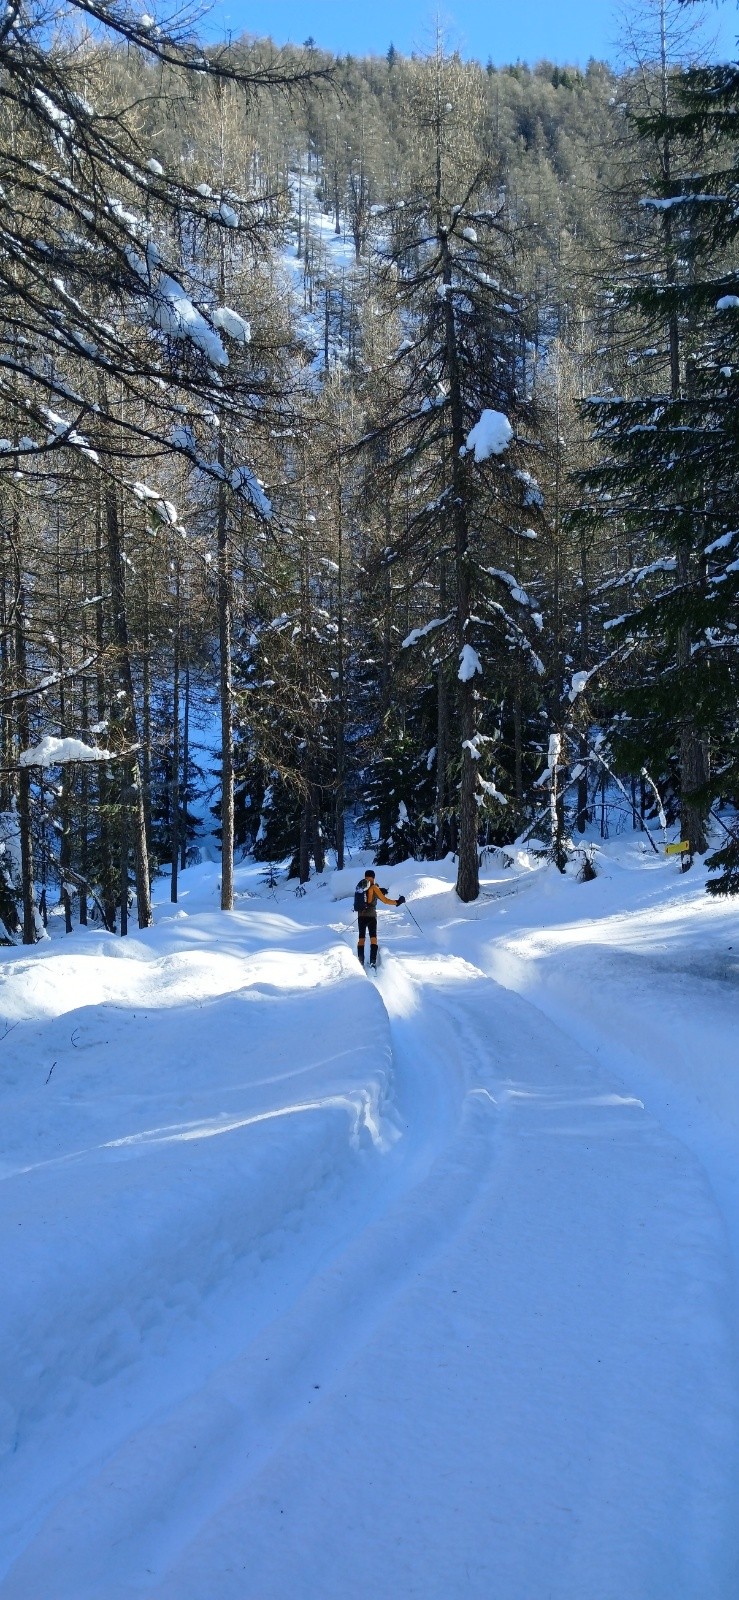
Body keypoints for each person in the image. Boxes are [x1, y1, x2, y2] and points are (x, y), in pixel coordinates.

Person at [354, 868, 405, 968]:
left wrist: (380, 890)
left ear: (365, 877)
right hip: (372, 917)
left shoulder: (360, 886)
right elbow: (385, 900)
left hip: (361, 916)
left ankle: (360, 961)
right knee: (373, 938)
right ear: (373, 877)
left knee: (361, 939)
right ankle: (373, 961)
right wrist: (398, 902)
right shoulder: (373, 887)